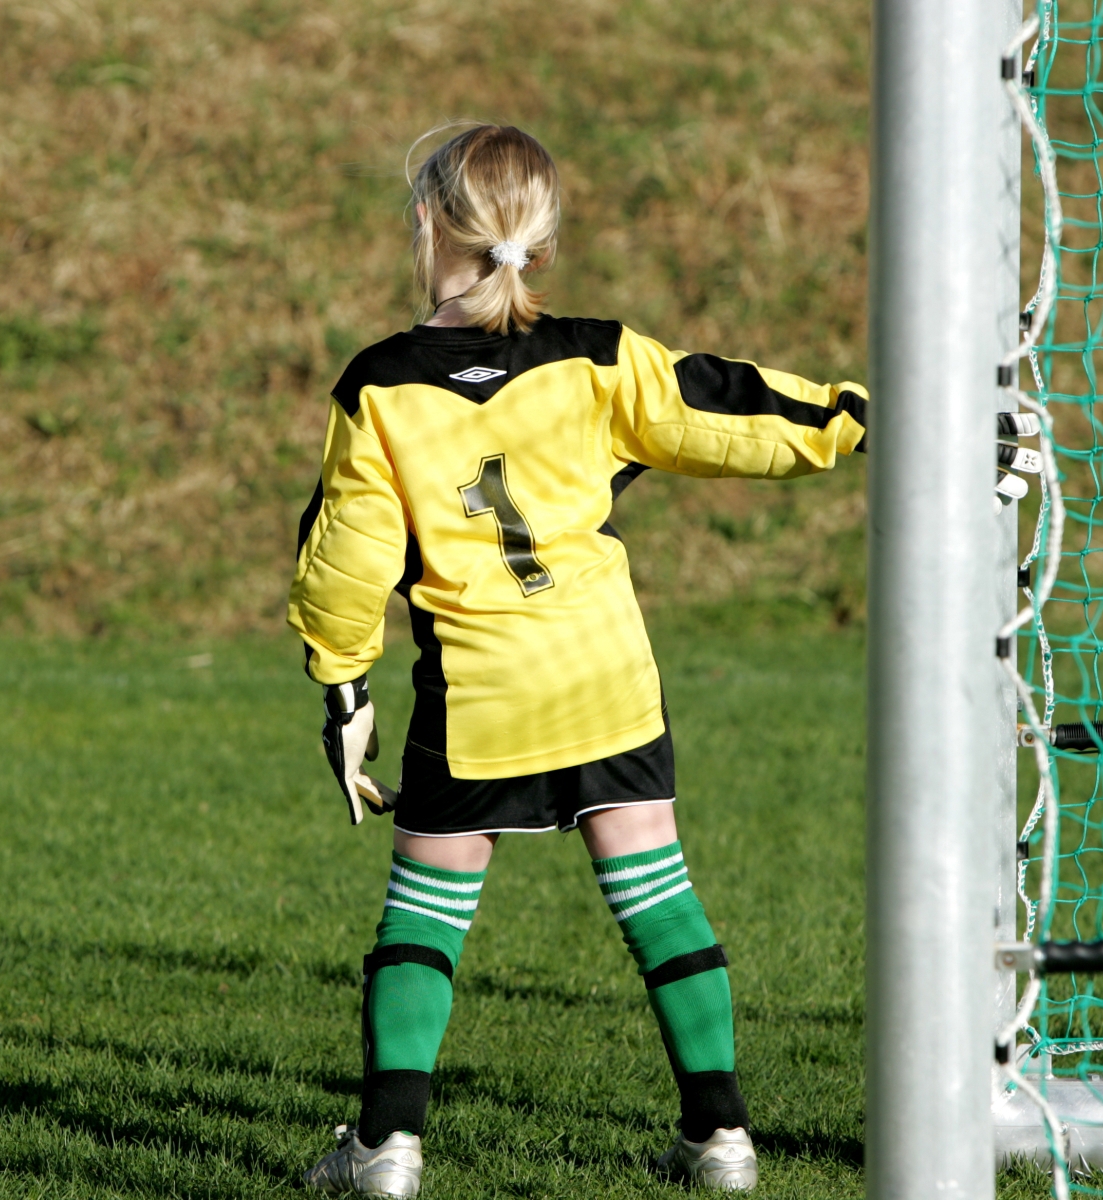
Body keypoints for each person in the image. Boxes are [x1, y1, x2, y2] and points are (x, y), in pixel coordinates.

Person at [286, 122, 866, 1195]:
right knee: (660, 897)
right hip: (605, 677)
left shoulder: (380, 387)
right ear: (541, 244)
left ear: (425, 221)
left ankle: (387, 1151)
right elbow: (732, 408)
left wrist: (342, 686)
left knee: (425, 910)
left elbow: (346, 558)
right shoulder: (597, 358)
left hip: (481, 693)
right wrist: (874, 421)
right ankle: (724, 1139)